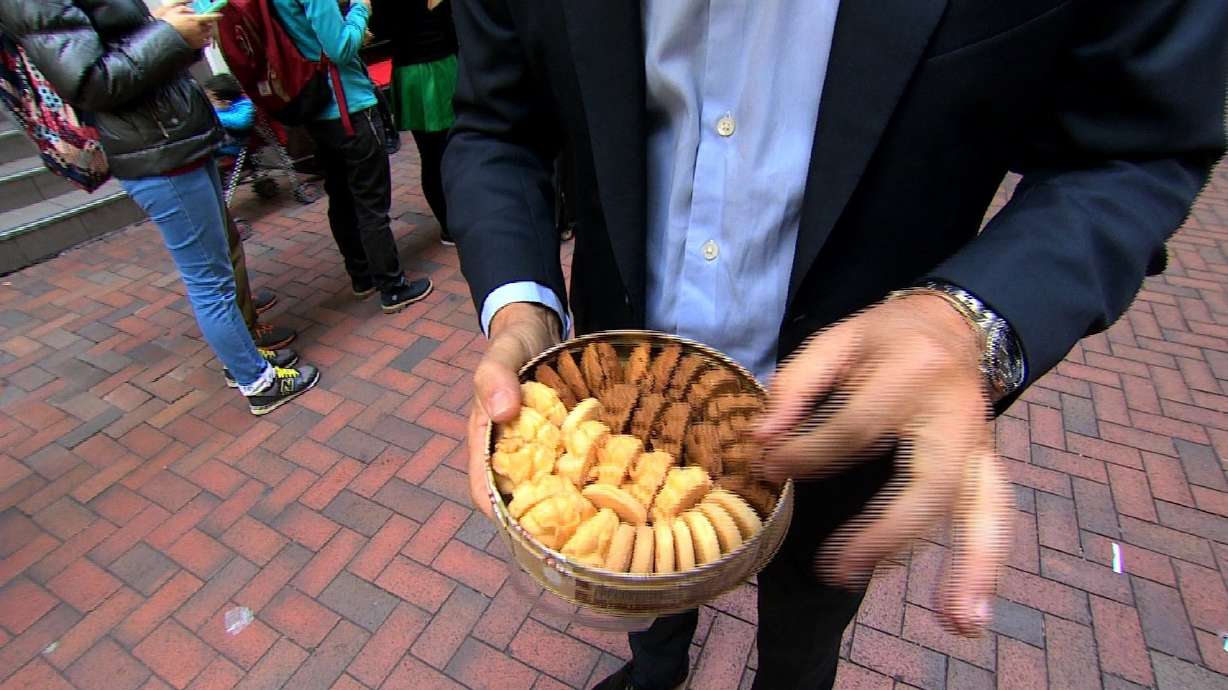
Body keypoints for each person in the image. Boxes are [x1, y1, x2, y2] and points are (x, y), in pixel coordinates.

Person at [442, 2, 1228, 689]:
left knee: (809, 620)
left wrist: (969, 322)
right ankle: (658, 666)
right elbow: (497, 123)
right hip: (616, 396)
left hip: (847, 416)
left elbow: (1136, 144)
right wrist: (522, 312)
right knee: (645, 591)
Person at [0, 0, 320, 416]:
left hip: (171, 140)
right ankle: (257, 382)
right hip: (157, 153)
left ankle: (245, 363)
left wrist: (179, 37)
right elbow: (91, 82)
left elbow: (129, 58)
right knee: (210, 279)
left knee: (218, 266)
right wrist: (168, 34)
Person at [273, 0, 433, 312]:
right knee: (371, 204)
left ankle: (362, 277)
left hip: (318, 109)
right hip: (349, 107)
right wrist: (361, 9)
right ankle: (393, 287)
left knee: (342, 196)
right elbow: (340, 47)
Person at [369, 0, 457, 246]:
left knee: (431, 155)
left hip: (412, 71)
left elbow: (380, 28)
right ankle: (457, 221)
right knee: (453, 148)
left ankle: (450, 224)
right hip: (439, 66)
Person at [204, 73, 254, 158]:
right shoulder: (227, 107)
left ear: (225, 102)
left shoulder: (245, 105)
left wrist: (213, 116)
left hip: (238, 148)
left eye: (210, 100)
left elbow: (242, 122)